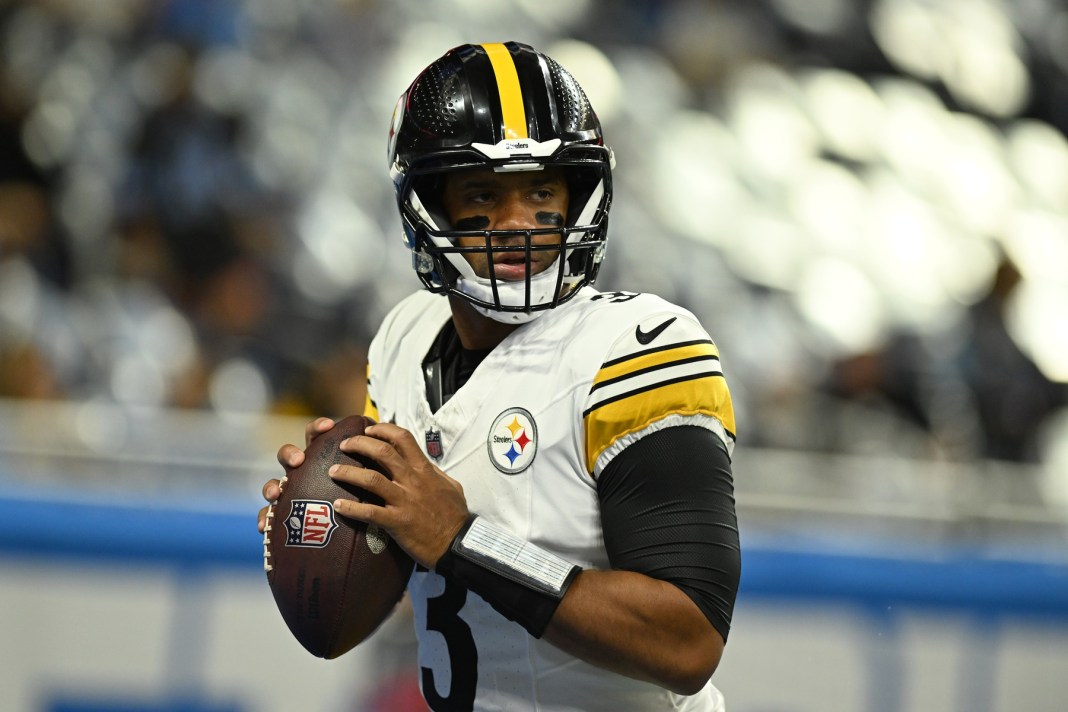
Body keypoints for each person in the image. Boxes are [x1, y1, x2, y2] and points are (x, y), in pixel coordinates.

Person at [258, 41, 741, 711]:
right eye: (483, 193)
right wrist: (336, 523)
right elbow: (423, 578)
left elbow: (687, 644)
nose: (517, 223)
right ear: (430, 206)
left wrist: (462, 540)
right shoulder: (404, 338)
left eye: (541, 189)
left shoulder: (638, 351)